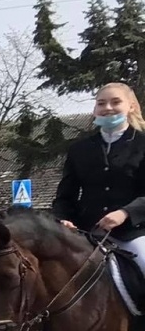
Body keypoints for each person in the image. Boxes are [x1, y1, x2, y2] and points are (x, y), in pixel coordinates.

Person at [52, 82, 145, 253]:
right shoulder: (79, 149)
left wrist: (125, 213)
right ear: (95, 109)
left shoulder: (141, 143)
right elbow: (65, 196)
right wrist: (62, 219)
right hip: (87, 234)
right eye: (101, 103)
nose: (107, 108)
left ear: (131, 106)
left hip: (133, 233)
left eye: (116, 102)